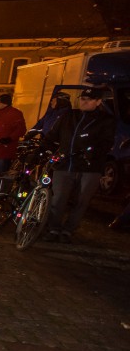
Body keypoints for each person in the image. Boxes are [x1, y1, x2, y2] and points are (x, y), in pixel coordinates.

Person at [42, 87, 117, 242]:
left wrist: (92, 152)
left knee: (81, 201)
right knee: (58, 198)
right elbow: (53, 134)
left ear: (98, 102)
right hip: (65, 164)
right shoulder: (69, 115)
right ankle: (53, 228)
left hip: (90, 168)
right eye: (83, 98)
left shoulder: (106, 120)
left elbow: (107, 142)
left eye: (89, 99)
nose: (84, 101)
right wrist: (43, 148)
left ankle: (69, 230)